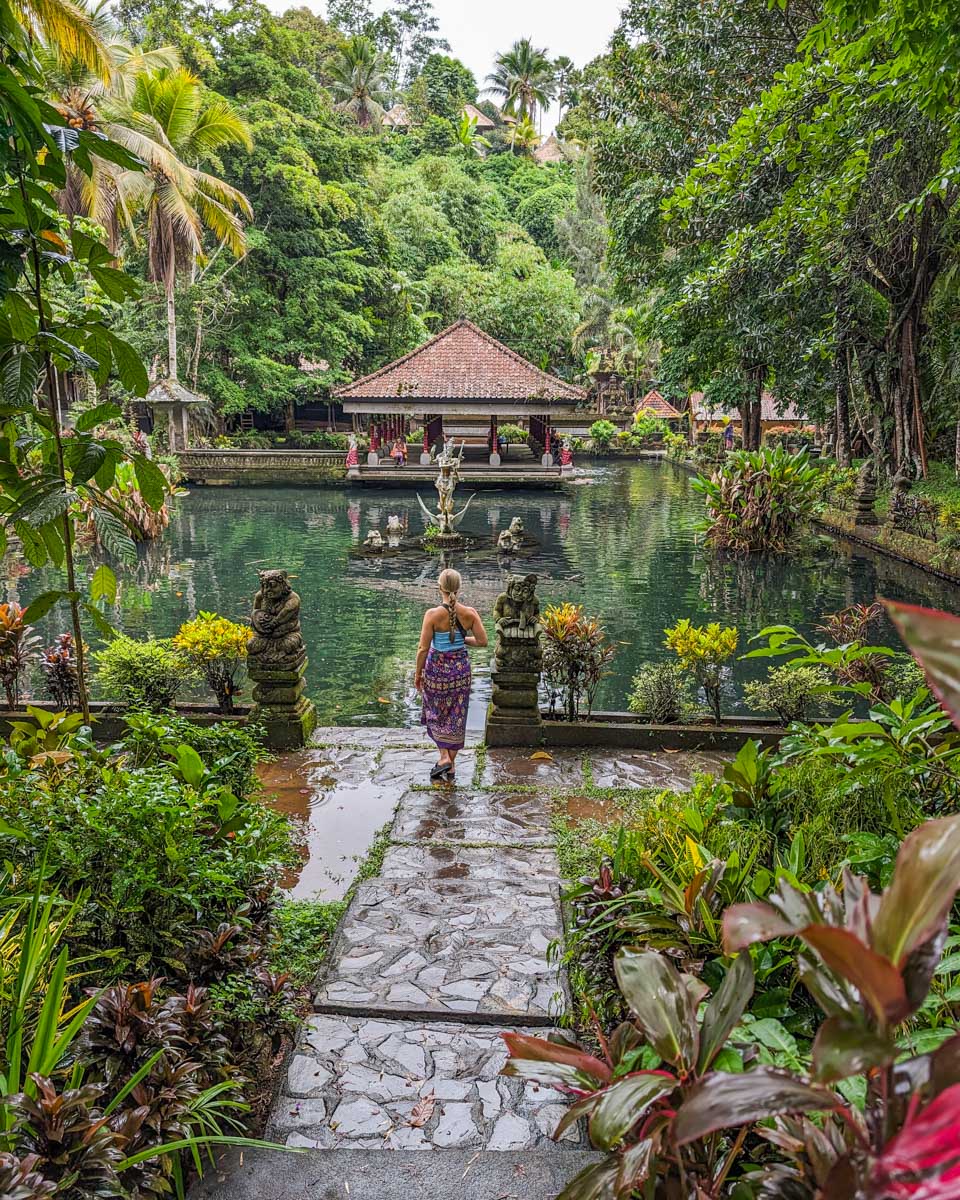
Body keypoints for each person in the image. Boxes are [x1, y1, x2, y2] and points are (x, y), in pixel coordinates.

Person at [415, 568, 488, 781]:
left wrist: (418, 674)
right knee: (456, 715)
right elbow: (483, 642)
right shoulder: (470, 614)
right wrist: (461, 639)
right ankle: (451, 764)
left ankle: (444, 757)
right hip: (460, 671)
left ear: (440, 588)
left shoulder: (432, 615)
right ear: (459, 587)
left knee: (435, 712)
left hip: (436, 670)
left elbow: (423, 649)